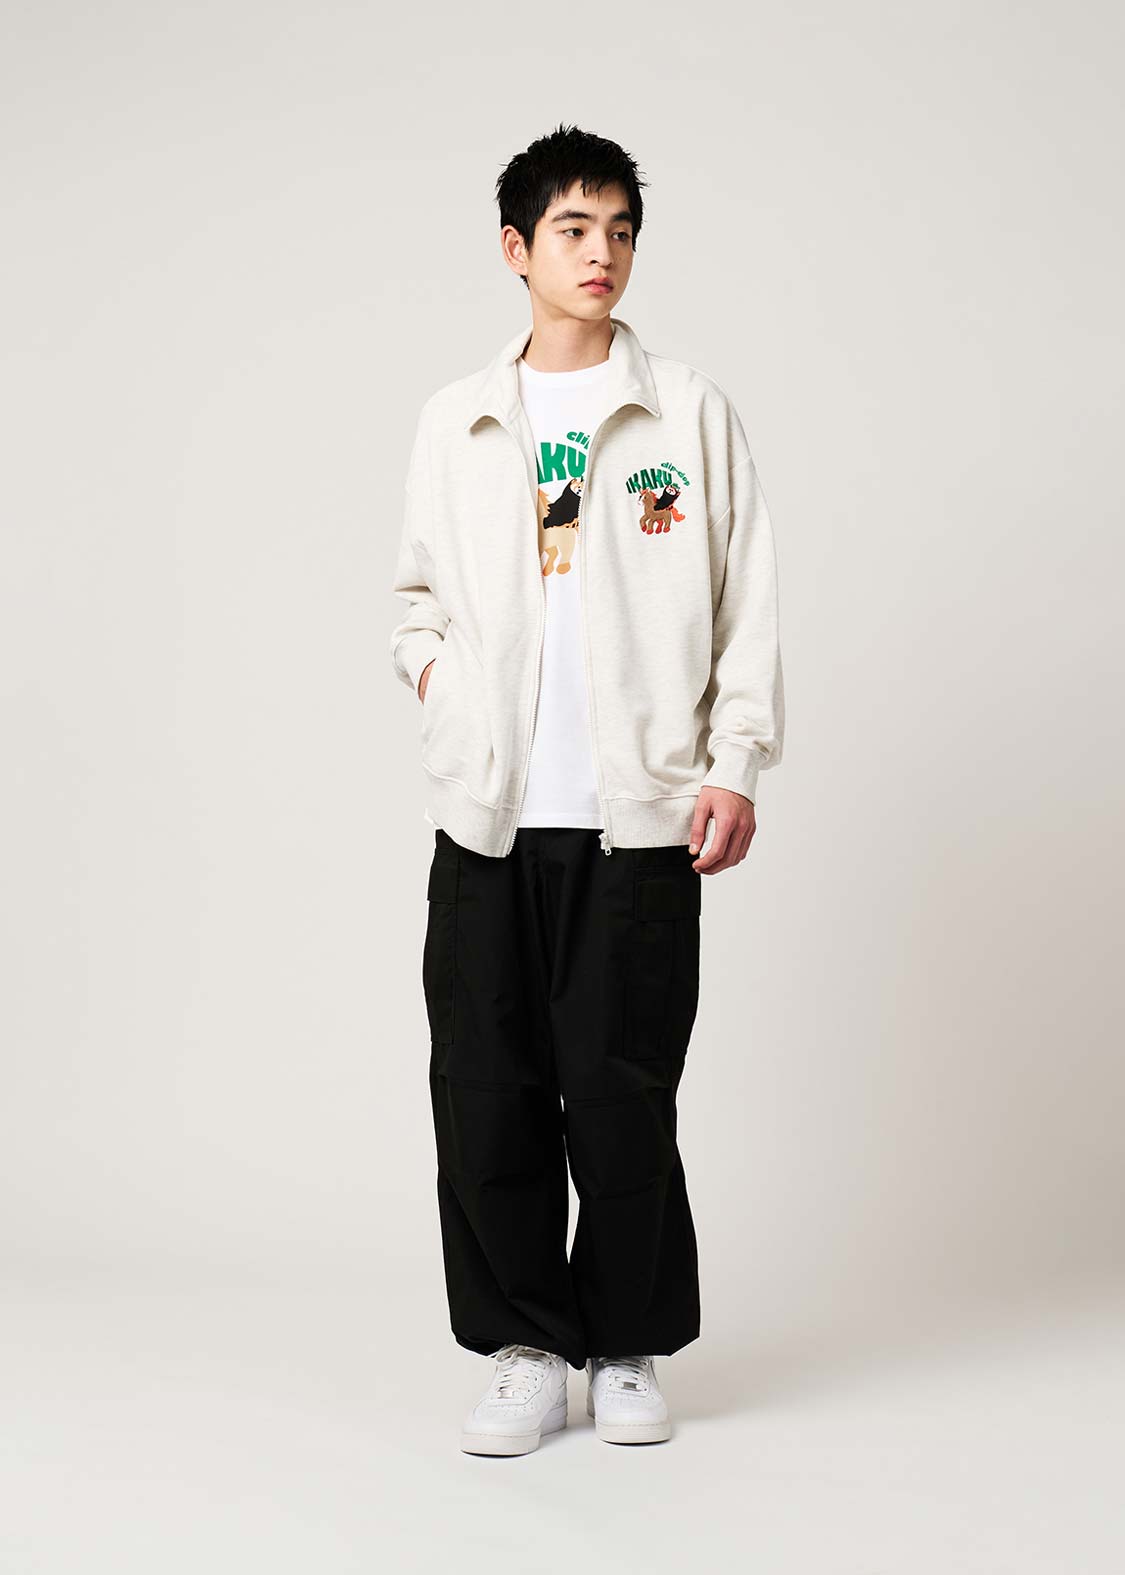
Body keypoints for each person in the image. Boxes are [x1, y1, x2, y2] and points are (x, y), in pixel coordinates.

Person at [389, 123, 784, 1456]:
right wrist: (439, 680)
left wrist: (733, 762)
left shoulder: (688, 413)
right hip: (489, 814)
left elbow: (747, 600)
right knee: (484, 1087)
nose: (600, 251)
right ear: (517, 249)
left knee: (621, 1091)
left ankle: (623, 1345)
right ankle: (523, 1345)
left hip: (638, 817)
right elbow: (413, 600)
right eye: (572, 228)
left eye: (618, 229)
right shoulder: (458, 418)